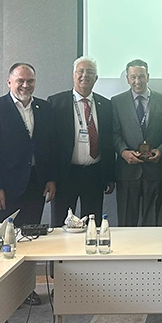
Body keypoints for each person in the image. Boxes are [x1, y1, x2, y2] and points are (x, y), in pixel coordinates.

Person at [0, 63, 57, 226]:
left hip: (37, 184)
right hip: (7, 187)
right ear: (9, 82)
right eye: (20, 81)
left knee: (33, 231)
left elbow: (50, 147)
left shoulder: (45, 108)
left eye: (30, 81)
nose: (25, 85)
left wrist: (50, 179)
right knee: (8, 233)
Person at [48, 57, 115, 228]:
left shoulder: (106, 105)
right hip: (65, 174)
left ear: (96, 78)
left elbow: (109, 142)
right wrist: (51, 178)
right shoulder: (56, 103)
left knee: (93, 223)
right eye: (81, 71)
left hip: (94, 173)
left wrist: (109, 176)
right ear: (73, 75)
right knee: (61, 222)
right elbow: (49, 144)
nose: (85, 75)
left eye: (90, 72)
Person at [111, 59, 162, 226]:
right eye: (133, 77)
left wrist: (161, 150)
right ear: (127, 79)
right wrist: (123, 152)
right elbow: (114, 133)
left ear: (148, 77)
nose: (137, 81)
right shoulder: (117, 102)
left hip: (155, 170)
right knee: (126, 222)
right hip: (127, 171)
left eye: (141, 76)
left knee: (152, 222)